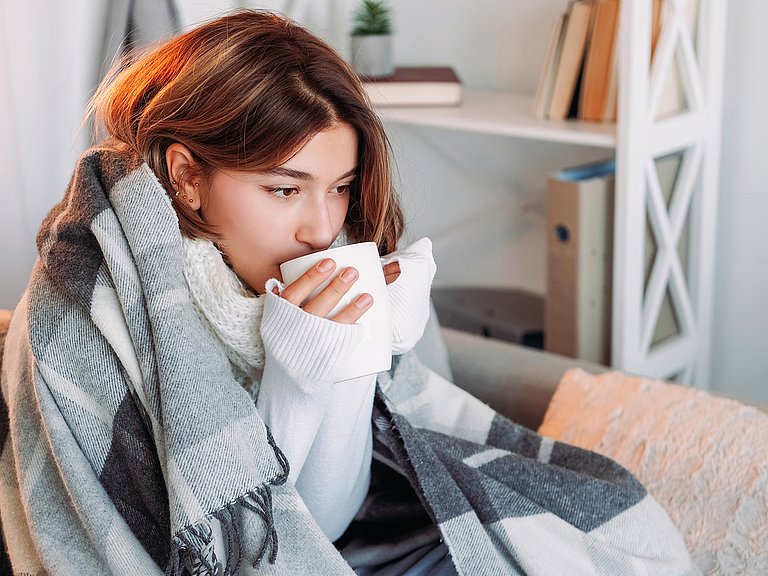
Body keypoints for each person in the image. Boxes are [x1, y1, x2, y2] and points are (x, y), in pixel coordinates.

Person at [0, 9, 700, 576]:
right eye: (283, 189)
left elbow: (328, 520)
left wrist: (347, 363)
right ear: (186, 177)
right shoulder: (89, 294)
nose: (323, 226)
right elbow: (234, 551)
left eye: (338, 187)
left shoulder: (326, 260)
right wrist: (300, 374)